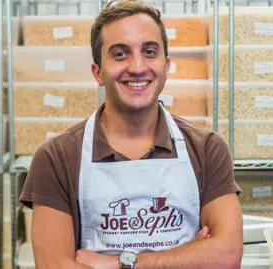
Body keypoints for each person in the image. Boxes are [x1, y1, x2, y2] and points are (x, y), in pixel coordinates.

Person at [19, 0, 243, 268]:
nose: (137, 67)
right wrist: (189, 255)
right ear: (97, 72)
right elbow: (55, 266)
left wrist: (118, 263)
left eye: (149, 52)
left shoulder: (207, 149)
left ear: (166, 65)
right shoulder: (56, 156)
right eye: (120, 54)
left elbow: (227, 257)